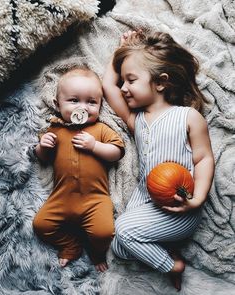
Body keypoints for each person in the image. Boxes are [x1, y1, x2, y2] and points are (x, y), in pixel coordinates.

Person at [102, 30, 214, 290]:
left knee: (124, 231)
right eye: (123, 79)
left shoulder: (188, 117)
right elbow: (108, 86)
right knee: (119, 247)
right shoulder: (136, 120)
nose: (123, 87)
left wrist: (196, 199)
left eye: (131, 80)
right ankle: (162, 247)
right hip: (146, 199)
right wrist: (122, 50)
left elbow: (204, 158)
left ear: (160, 82)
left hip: (180, 204)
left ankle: (174, 265)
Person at [33, 67, 125, 272]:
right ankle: (70, 245)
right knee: (41, 225)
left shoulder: (100, 130)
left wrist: (95, 146)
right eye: (74, 101)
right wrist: (43, 147)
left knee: (104, 233)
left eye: (91, 102)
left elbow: (117, 152)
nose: (83, 107)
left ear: (100, 105)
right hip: (61, 198)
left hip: (95, 199)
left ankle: (96, 253)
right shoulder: (55, 130)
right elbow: (43, 159)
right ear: (58, 105)